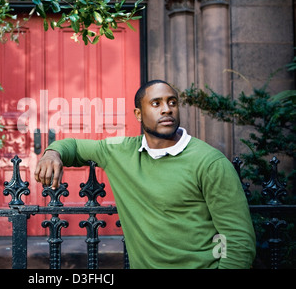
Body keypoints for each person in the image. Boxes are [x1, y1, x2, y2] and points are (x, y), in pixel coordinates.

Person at [34, 79, 256, 269]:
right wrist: (52, 153)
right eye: (156, 103)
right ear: (138, 114)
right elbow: (72, 145)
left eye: (172, 102)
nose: (167, 109)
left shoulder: (210, 162)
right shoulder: (119, 151)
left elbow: (238, 240)